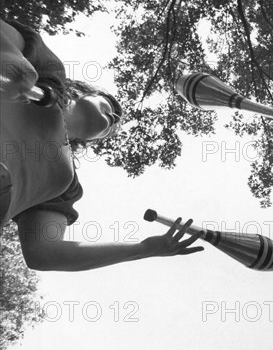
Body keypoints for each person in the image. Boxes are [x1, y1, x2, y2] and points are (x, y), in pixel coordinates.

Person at [1, 19, 204, 271]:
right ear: (81, 91)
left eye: (111, 129)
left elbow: (43, 253)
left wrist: (143, 249)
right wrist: (10, 59)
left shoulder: (64, 186)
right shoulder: (48, 71)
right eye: (110, 106)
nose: (115, 119)